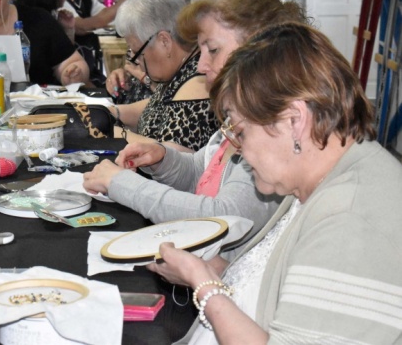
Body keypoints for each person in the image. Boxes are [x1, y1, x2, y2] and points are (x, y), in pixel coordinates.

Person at [148, 22, 402, 344]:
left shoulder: (350, 222)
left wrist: (203, 284)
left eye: (241, 132)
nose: (237, 150)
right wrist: (217, 270)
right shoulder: (316, 180)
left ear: (294, 121)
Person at [84, 0, 306, 255]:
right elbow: (201, 171)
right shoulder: (239, 116)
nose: (200, 65)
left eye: (212, 50)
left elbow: (222, 216)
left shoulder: (273, 130)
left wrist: (120, 183)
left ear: (260, 51)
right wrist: (162, 158)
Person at [107, 0, 213, 151]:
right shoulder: (180, 70)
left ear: (164, 41)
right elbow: (154, 110)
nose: (137, 62)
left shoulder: (198, 82)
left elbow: (173, 156)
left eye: (138, 53)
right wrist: (108, 113)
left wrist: (111, 132)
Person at [107, 0, 191, 105]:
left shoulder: (192, 44)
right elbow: (132, 69)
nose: (138, 5)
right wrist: (122, 77)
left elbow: (173, 105)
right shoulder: (145, 33)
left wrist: (145, 79)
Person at [63, 0, 129, 87]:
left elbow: (104, 15)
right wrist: (122, 3)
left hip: (90, 68)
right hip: (70, 70)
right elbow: (83, 25)